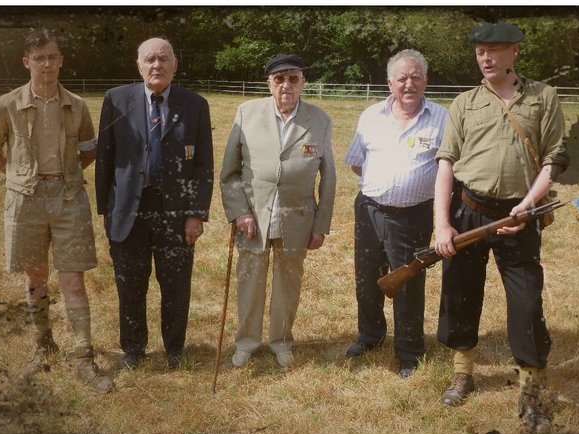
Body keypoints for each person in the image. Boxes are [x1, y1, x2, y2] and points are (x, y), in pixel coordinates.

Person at [433, 22, 570, 434]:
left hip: (520, 216)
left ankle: (531, 392)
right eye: (479, 52)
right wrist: (442, 224)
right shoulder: (464, 103)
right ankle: (463, 374)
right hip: (469, 212)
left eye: (494, 50)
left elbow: (554, 160)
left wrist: (527, 207)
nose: (486, 58)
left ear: (514, 52)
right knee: (460, 294)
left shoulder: (543, 97)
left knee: (527, 303)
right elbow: (445, 164)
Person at [0, 29, 114, 393]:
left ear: (61, 60)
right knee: (35, 278)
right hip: (26, 199)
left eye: (53, 56)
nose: (47, 64)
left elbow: (89, 149)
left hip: (69, 197)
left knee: (73, 280)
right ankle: (43, 347)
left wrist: (66, 177)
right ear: (27, 62)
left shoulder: (78, 105)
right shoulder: (7, 104)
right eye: (39, 58)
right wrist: (19, 175)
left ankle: (84, 357)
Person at [95, 37, 214, 370]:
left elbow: (203, 165)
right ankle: (133, 349)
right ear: (139, 65)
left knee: (176, 287)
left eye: (163, 59)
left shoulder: (195, 105)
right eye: (149, 59)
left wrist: (196, 214)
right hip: (128, 212)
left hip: (175, 213)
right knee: (130, 286)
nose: (157, 65)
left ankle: (175, 348)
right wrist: (106, 212)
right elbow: (104, 158)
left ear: (175, 65)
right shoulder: (116, 100)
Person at [220, 54, 336, 368]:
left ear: (303, 82)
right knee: (250, 281)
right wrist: (239, 212)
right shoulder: (246, 113)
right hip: (253, 218)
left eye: (293, 78)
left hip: (298, 218)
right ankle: (246, 342)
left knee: (289, 283)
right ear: (269, 83)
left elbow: (329, 176)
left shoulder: (320, 119)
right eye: (279, 79)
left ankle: (282, 341)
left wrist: (320, 224)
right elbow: (229, 172)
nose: (286, 85)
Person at [344, 49, 448, 379]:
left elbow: (449, 167)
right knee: (366, 279)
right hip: (369, 210)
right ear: (390, 82)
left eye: (416, 77)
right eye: (402, 78)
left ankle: (409, 351)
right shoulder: (370, 116)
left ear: (426, 81)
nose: (409, 84)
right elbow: (356, 160)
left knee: (408, 282)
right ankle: (370, 336)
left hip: (412, 215)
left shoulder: (442, 118)